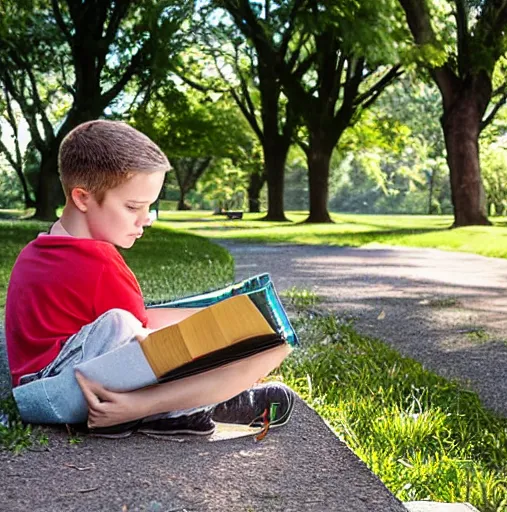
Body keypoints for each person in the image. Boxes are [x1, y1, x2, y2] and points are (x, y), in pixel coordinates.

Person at [5, 120, 295, 439]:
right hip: (68, 393)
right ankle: (188, 406)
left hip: (39, 388)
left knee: (143, 324)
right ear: (83, 198)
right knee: (132, 329)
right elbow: (147, 341)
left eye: (150, 207)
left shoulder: (38, 250)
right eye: (133, 207)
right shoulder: (99, 263)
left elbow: (139, 319)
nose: (146, 220)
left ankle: (186, 407)